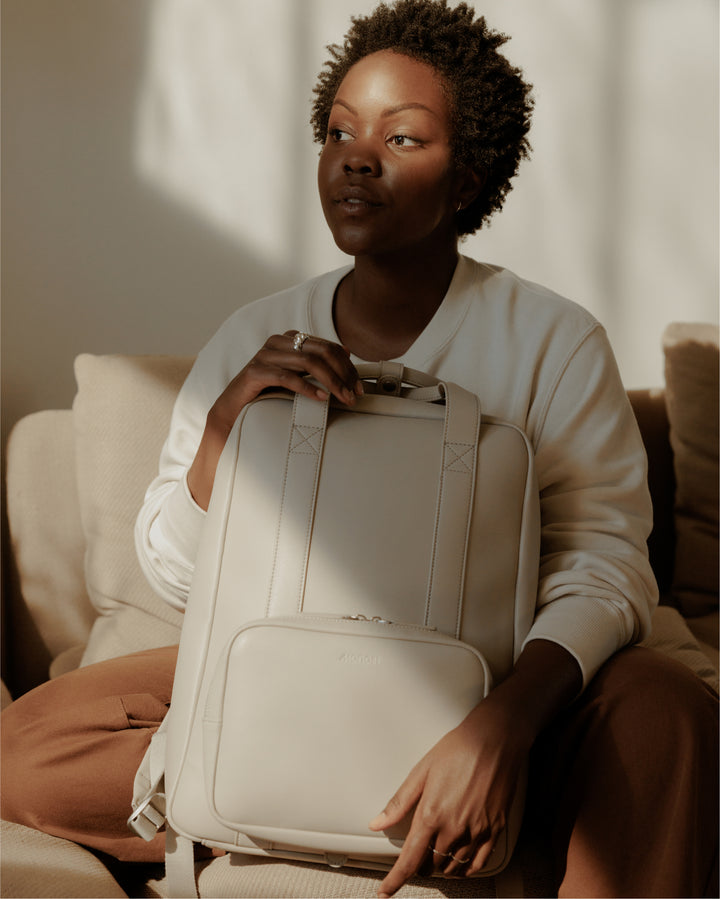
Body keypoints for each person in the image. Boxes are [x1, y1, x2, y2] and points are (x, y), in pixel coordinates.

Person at [2, 2, 718, 897]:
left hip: (501, 676)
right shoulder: (254, 335)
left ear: (470, 176)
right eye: (339, 130)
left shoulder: (552, 339)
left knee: (669, 717)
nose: (357, 154)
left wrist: (498, 727)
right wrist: (226, 427)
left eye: (404, 137)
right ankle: (316, 804)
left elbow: (607, 566)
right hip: (288, 668)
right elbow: (179, 580)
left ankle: (448, 788)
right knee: (26, 751)